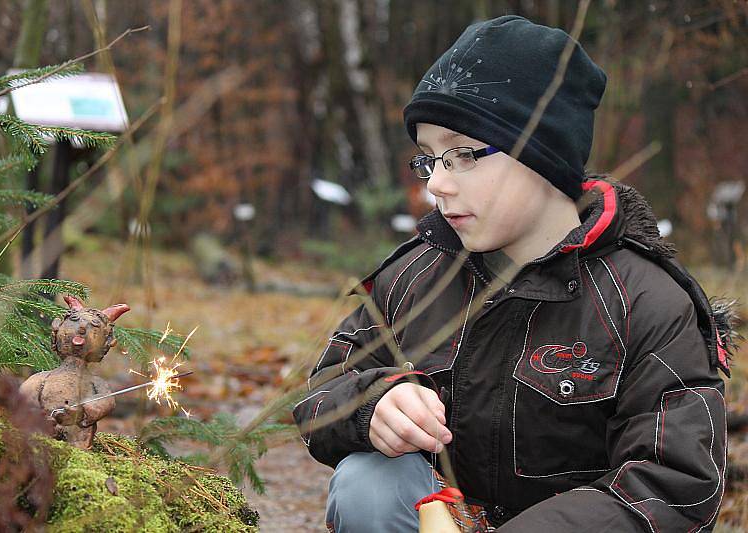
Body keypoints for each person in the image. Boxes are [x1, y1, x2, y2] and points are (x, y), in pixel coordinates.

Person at [293, 14, 736, 532]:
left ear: (541, 157)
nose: (436, 184)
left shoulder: (646, 300)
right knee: (368, 479)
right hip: (442, 515)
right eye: (428, 159)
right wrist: (373, 404)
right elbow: (320, 393)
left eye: (461, 155)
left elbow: (675, 483)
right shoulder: (413, 277)